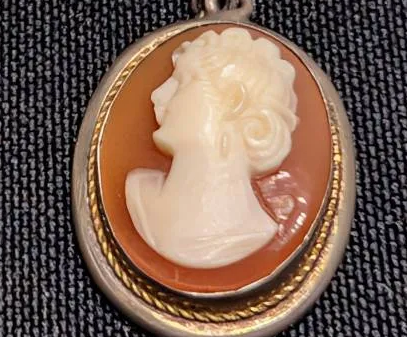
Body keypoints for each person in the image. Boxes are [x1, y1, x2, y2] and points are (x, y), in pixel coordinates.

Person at [126, 27, 299, 269]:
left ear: (233, 101)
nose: (157, 95)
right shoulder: (138, 192)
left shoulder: (253, 235)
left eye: (183, 81)